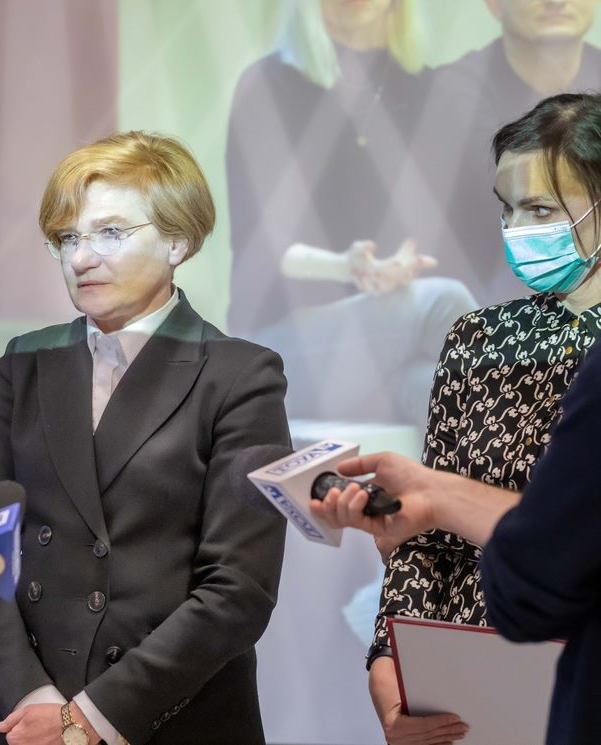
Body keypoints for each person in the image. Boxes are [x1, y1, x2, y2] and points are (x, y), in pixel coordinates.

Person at [0, 131, 290, 745]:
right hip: (27, 720)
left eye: (110, 233)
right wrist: (31, 697)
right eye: (67, 238)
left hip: (165, 717)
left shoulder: (240, 374)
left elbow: (238, 589)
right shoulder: (26, 363)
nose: (81, 259)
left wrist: (87, 720)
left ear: (177, 241)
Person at [309, 92, 601, 745]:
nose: (518, 228)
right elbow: (422, 530)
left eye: (541, 210)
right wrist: (389, 661)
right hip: (467, 680)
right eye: (508, 209)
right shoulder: (477, 337)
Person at [226, 0, 478, 426]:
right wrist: (349, 266)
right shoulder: (269, 86)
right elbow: (262, 244)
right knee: (445, 302)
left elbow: (454, 222)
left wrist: (401, 268)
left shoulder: (428, 91)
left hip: (390, 339)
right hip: (281, 347)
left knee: (432, 387)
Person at [423, 0, 601, 307]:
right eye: (508, 208)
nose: (556, 2)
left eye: (540, 210)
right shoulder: (449, 93)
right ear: (495, 4)